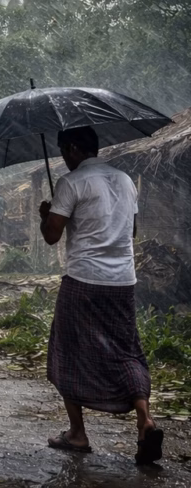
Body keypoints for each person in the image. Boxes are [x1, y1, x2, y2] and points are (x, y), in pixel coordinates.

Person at [39, 126, 162, 465]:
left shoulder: (71, 182)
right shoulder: (124, 180)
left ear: (75, 148)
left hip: (83, 281)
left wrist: (44, 215)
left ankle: (77, 433)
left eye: (64, 150)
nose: (64, 158)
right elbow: (131, 230)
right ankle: (145, 419)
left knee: (69, 351)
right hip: (122, 282)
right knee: (126, 351)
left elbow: (52, 235)